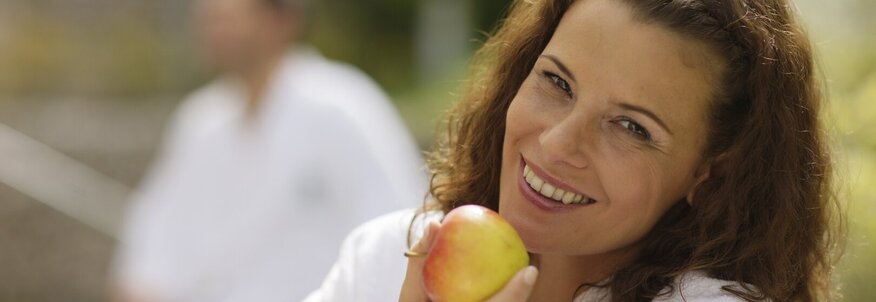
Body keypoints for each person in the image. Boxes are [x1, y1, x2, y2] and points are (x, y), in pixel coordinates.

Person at [304, 0, 844, 301]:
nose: (558, 142)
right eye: (558, 83)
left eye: (631, 127)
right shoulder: (382, 259)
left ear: (711, 174)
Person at [110, 0, 426, 301]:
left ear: (281, 21)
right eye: (210, 18)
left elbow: (399, 229)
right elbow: (152, 242)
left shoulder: (343, 109)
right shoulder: (199, 123)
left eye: (229, 18)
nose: (214, 30)